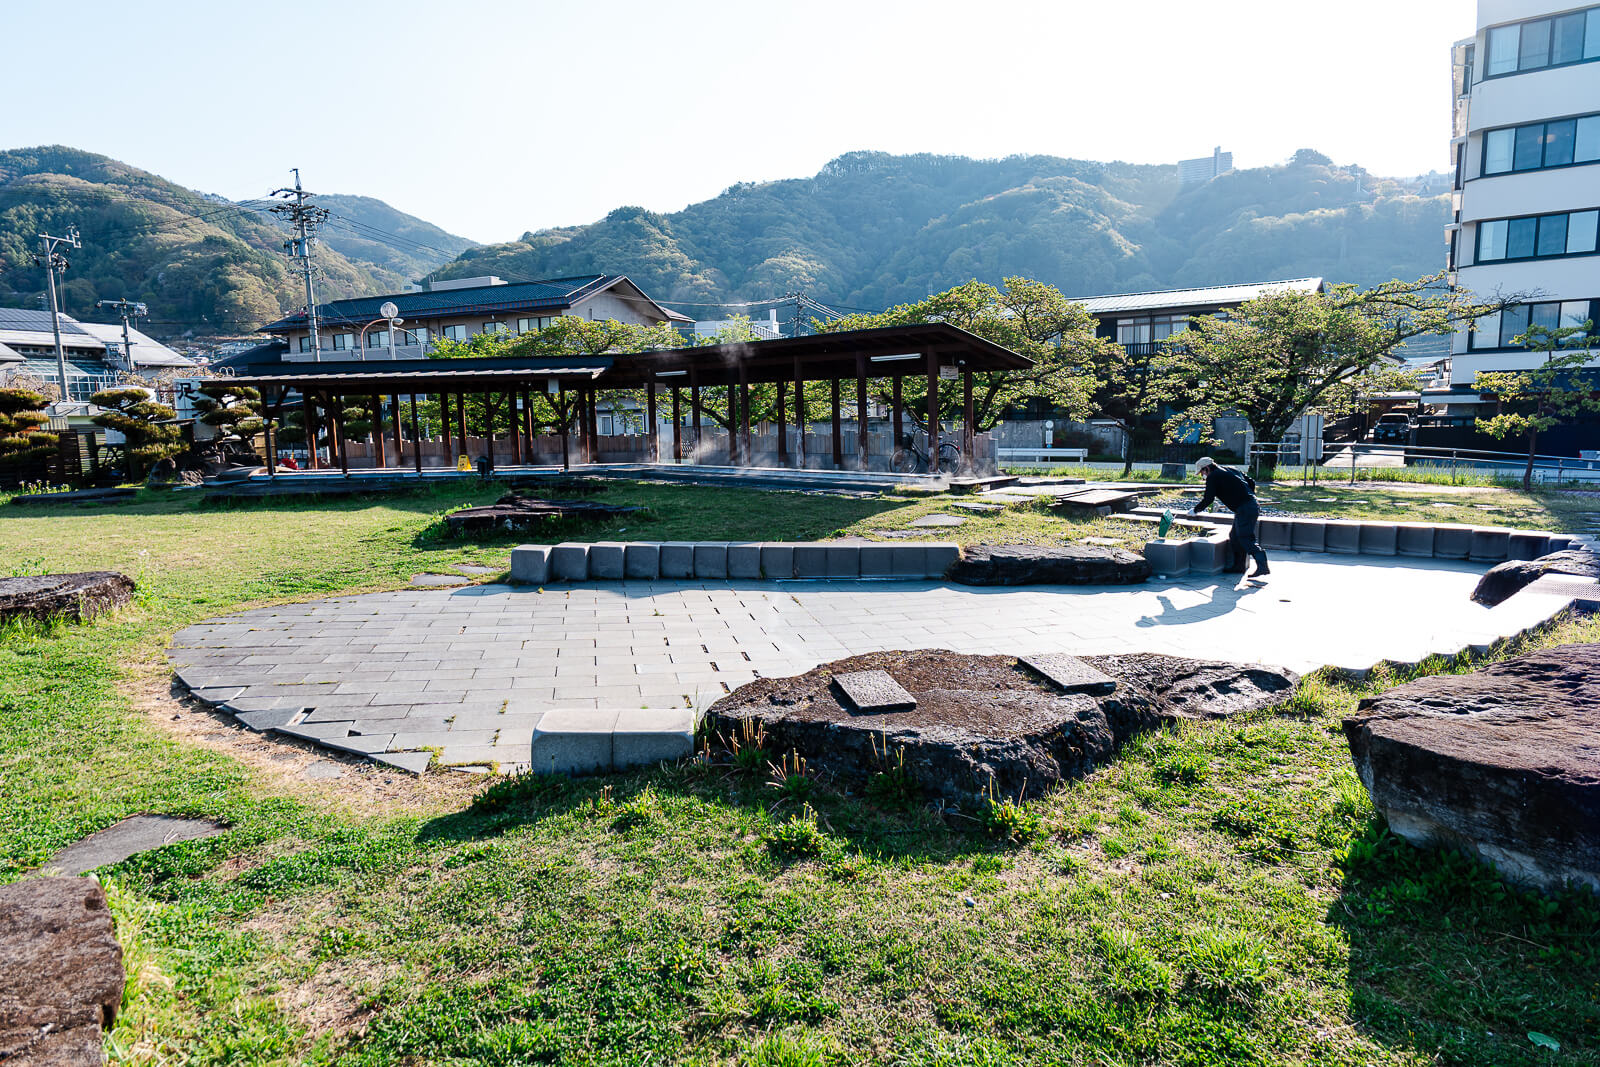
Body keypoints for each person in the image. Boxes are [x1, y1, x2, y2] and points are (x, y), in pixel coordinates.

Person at [1190, 456, 1269, 577]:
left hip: (1245, 508)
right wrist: (1248, 495)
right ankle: (1239, 566)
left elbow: (1208, 498)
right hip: (1247, 506)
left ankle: (1263, 566)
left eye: (1202, 472)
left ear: (1207, 468)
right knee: (1235, 536)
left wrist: (1195, 510)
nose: (1202, 476)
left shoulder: (1212, 477)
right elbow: (1251, 482)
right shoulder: (1231, 469)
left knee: (1246, 537)